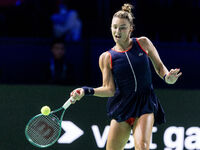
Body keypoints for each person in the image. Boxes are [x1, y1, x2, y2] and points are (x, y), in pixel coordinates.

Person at [70, 3, 182, 150]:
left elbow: (160, 67)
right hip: (122, 106)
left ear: (131, 29)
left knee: (142, 147)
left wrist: (168, 77)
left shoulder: (143, 43)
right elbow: (109, 89)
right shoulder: (106, 57)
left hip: (145, 103)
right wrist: (86, 91)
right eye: (114, 27)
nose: (117, 31)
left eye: (122, 27)